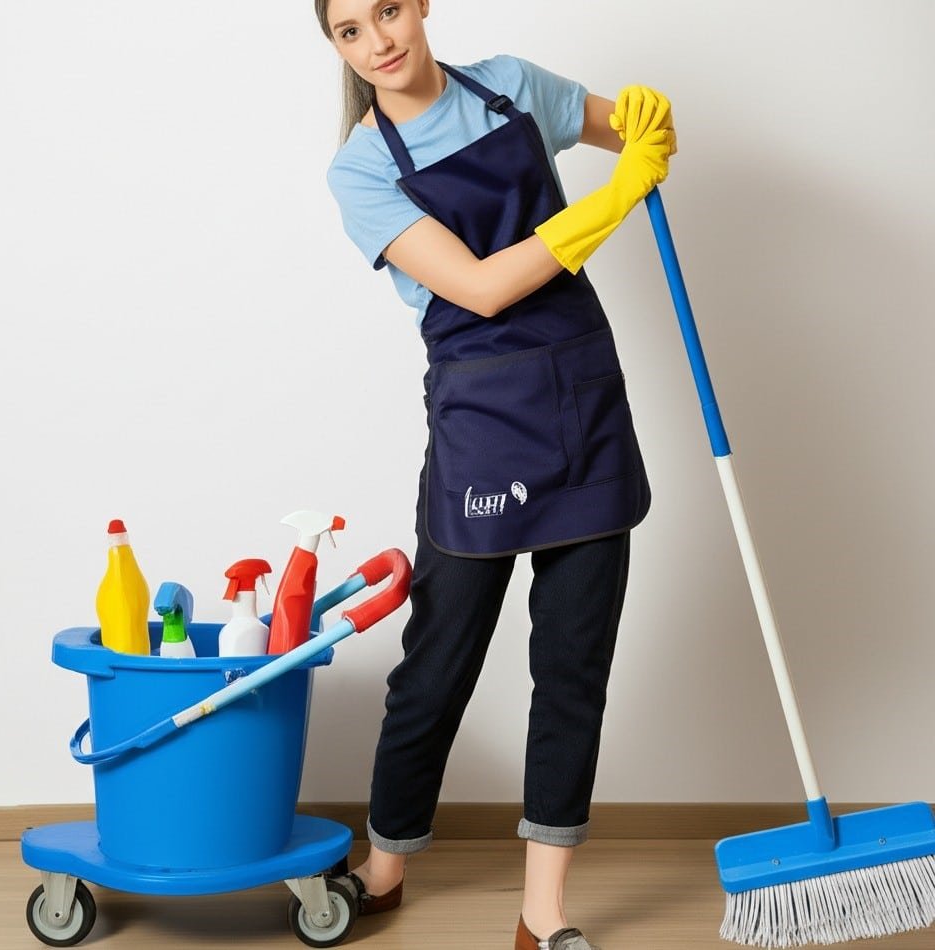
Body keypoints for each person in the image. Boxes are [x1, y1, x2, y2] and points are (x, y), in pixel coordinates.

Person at [315, 2, 676, 947]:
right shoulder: (360, 170)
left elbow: (625, 128)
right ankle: (385, 863)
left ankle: (542, 913)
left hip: (585, 400)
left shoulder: (510, 87)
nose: (379, 41)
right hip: (482, 418)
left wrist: (646, 120)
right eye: (350, 30)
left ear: (420, 3)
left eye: (387, 10)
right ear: (338, 47)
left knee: (572, 666)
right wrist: (615, 198)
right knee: (440, 659)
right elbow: (476, 287)